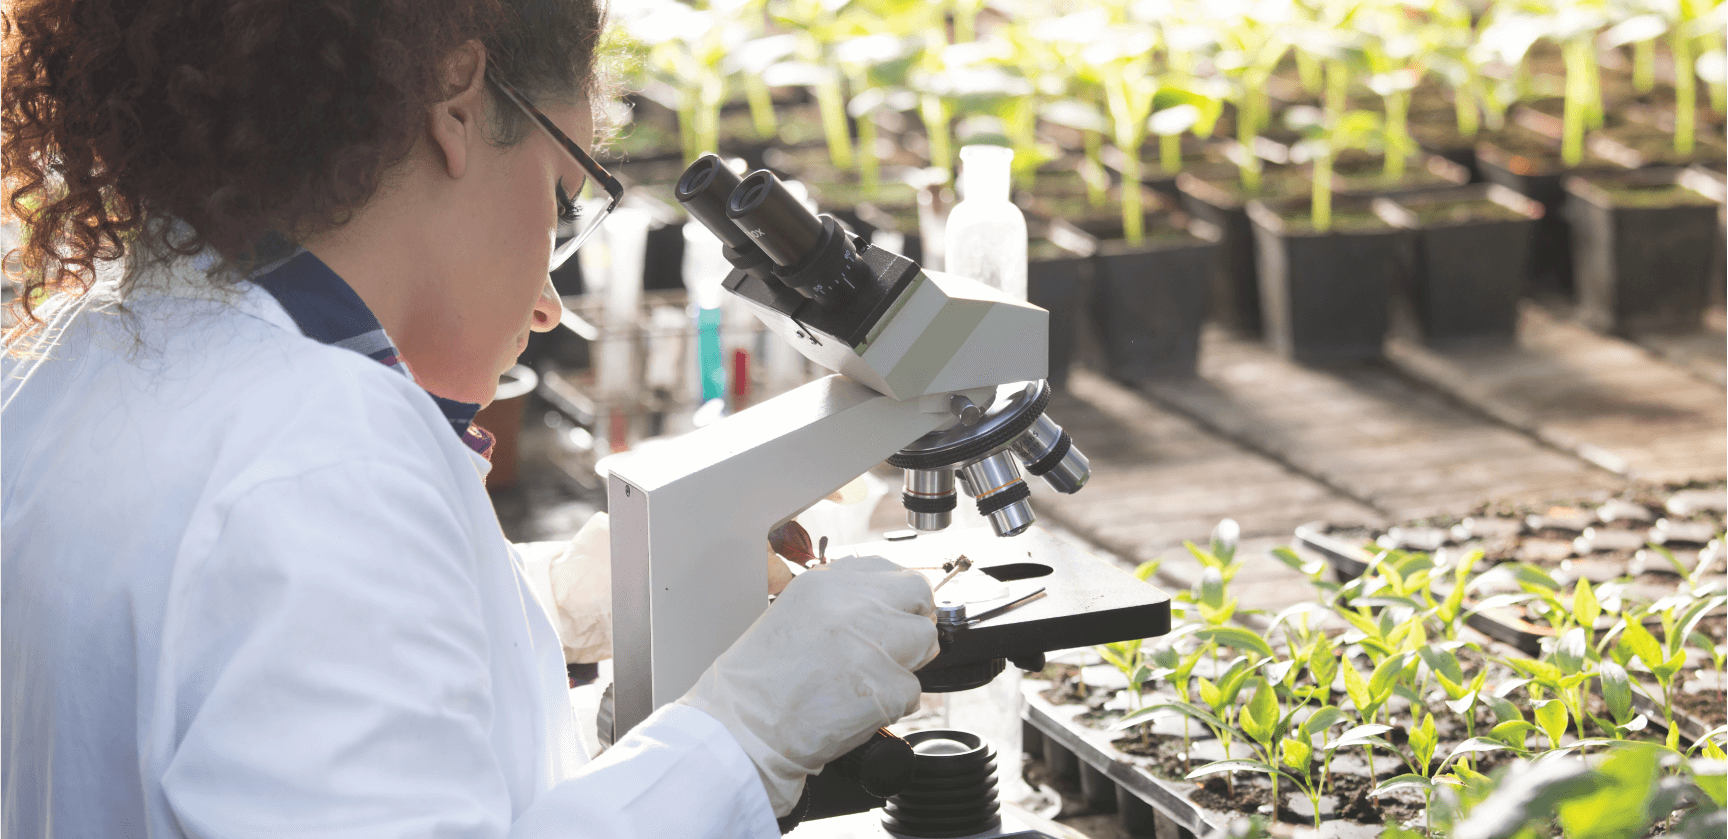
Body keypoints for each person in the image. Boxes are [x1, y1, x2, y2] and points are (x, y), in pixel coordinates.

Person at [0, 1, 940, 836]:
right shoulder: (324, 463)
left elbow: (329, 752)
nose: (547, 306)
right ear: (456, 106)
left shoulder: (85, 352)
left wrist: (537, 612)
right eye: (560, 201)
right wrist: (746, 737)